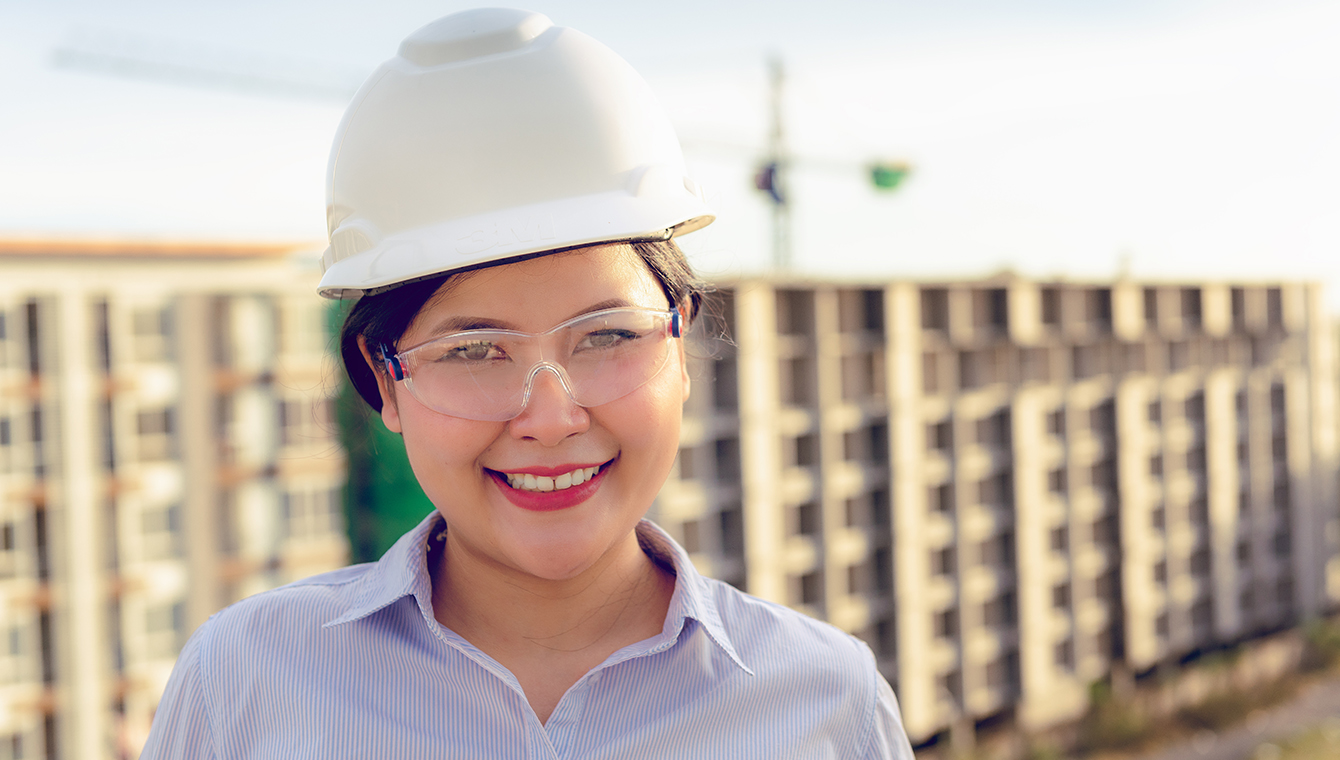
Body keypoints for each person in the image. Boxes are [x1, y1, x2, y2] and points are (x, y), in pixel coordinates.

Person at [142, 8, 915, 758]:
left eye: (608, 335)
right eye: (476, 351)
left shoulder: (828, 703)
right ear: (386, 382)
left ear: (680, 344)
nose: (550, 417)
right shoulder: (242, 686)